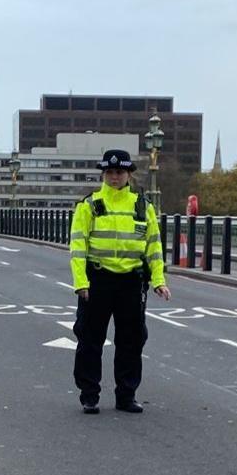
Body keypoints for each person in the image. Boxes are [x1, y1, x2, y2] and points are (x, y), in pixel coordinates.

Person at [69, 149, 171, 414]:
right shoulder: (90, 205)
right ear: (104, 174)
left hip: (131, 282)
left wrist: (159, 280)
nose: (115, 177)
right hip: (98, 280)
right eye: (110, 173)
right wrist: (81, 282)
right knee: (90, 339)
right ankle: (89, 394)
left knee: (132, 340)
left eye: (120, 172)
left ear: (128, 175)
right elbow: (78, 246)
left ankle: (126, 394)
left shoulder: (141, 206)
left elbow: (154, 247)